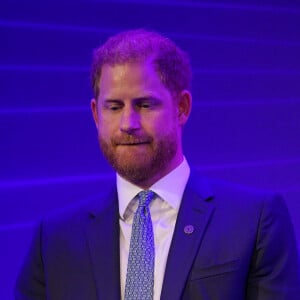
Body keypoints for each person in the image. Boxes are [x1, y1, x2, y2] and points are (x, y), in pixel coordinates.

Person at [15, 29, 300, 300]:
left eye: (145, 105)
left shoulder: (254, 220)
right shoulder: (55, 239)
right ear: (95, 114)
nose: (128, 124)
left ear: (182, 108)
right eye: (114, 107)